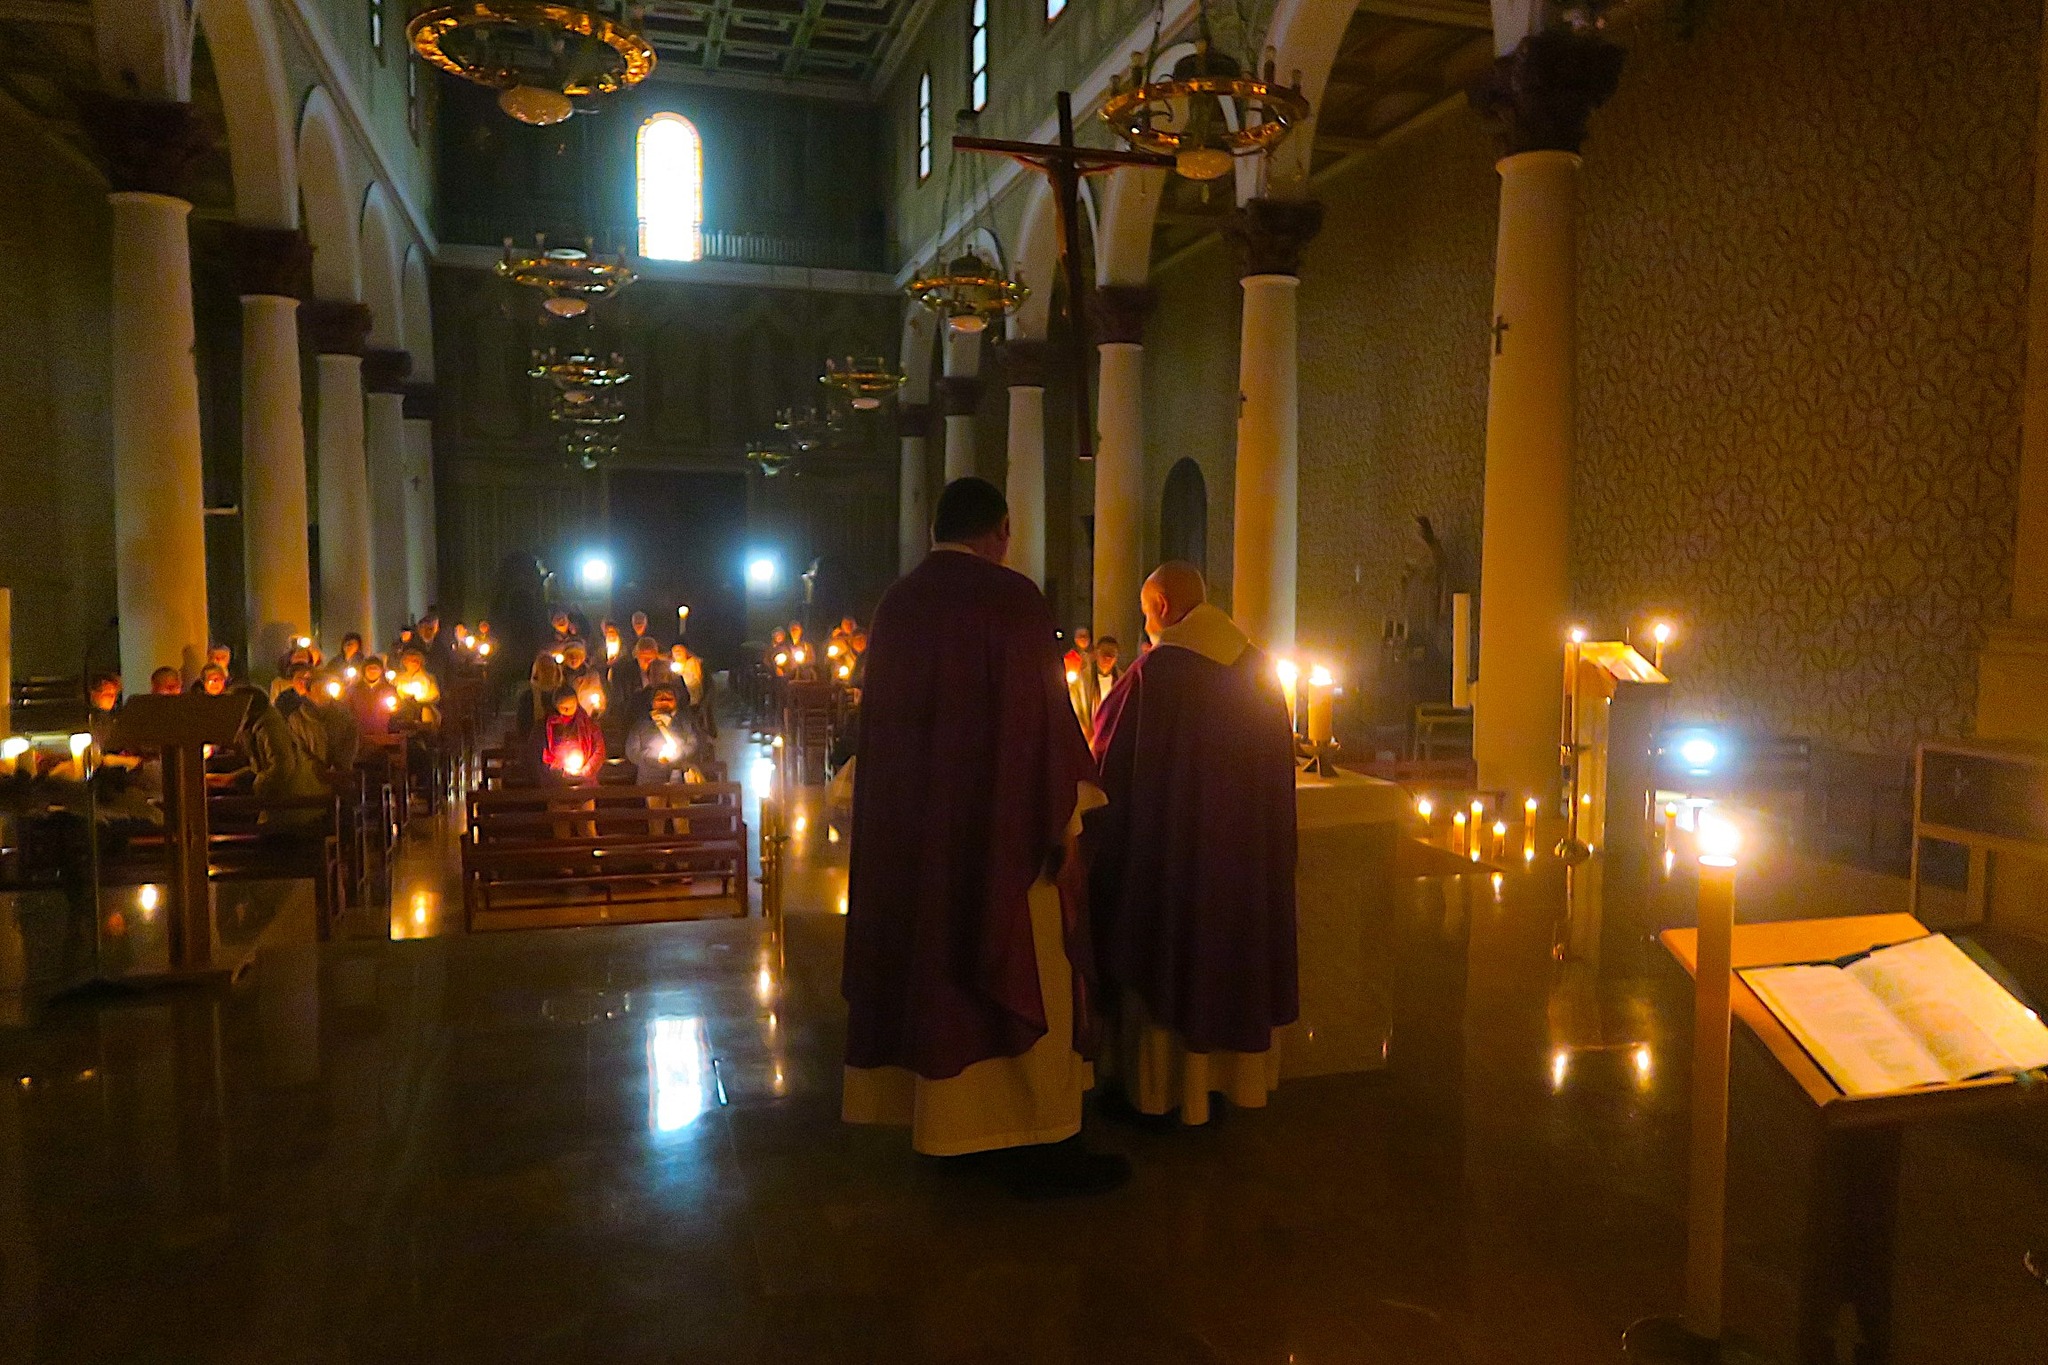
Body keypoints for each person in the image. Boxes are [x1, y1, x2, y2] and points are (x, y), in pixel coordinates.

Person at [841, 476, 1126, 1198]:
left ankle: (949, 1133)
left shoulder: (898, 606)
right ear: (999, 528)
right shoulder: (1011, 599)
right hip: (1009, 842)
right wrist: (1065, 817)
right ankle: (1041, 1136)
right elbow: (1041, 723)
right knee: (1030, 966)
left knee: (937, 969)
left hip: (926, 844)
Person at [1083, 561, 1298, 1127]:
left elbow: (1107, 761)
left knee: (1169, 955)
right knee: (1234, 955)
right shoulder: (1259, 669)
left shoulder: (1156, 675)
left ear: (1158, 607)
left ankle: (1161, 1093)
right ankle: (1237, 1086)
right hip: (1243, 865)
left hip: (1174, 863)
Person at [624, 684, 702, 783]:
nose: (664, 700)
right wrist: (655, 758)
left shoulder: (686, 722)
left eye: (669, 697)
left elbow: (694, 744)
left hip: (681, 777)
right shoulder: (641, 725)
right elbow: (632, 752)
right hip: (650, 778)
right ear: (652, 702)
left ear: (676, 701)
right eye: (659, 697)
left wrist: (678, 754)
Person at [538, 686, 605, 782]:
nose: (567, 710)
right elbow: (538, 754)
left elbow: (599, 749)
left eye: (572, 706)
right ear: (556, 705)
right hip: (556, 782)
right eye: (563, 707)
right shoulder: (545, 726)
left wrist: (586, 771)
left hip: (585, 781)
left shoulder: (588, 724)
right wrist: (559, 770)